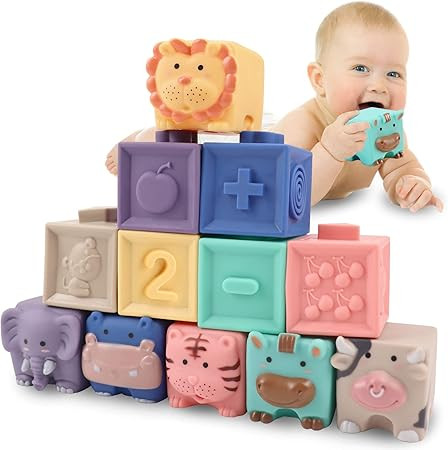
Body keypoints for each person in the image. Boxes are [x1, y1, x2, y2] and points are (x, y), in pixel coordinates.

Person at [273, 1, 442, 212]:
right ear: (320, 80)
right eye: (360, 68)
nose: (379, 86)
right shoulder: (302, 126)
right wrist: (329, 152)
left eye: (393, 74)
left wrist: (412, 184)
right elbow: (287, 195)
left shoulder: (385, 131)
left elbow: (401, 167)